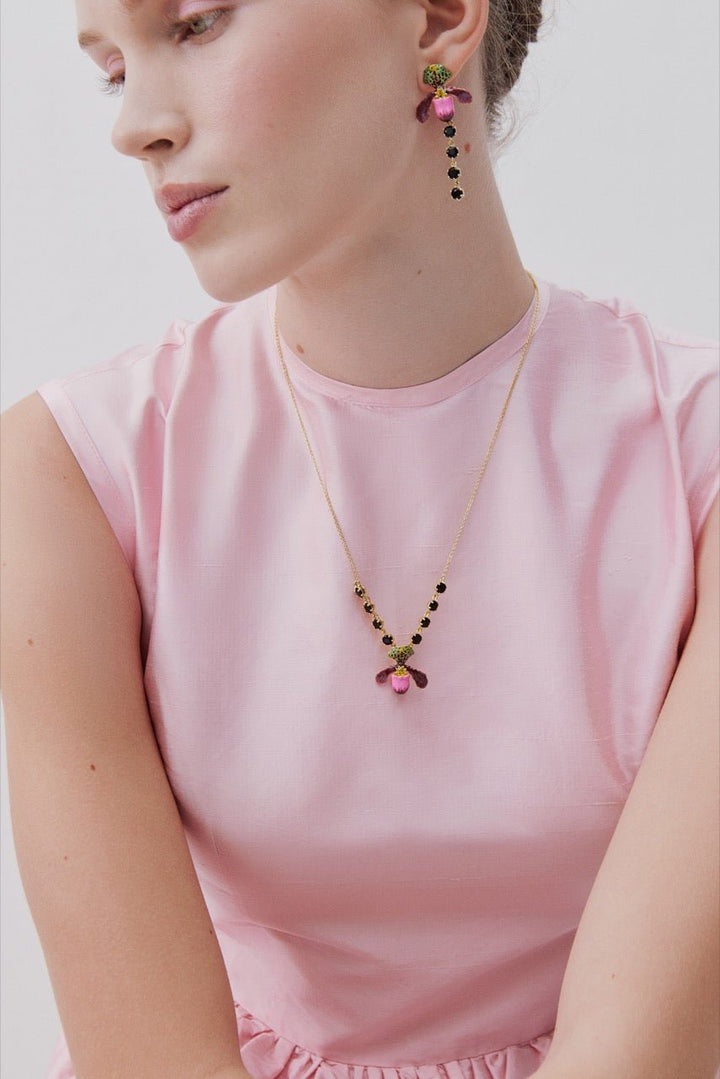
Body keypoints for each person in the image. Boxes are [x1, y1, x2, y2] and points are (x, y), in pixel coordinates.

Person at [1, 1, 718, 1078]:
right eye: (112, 70)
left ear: (437, 18)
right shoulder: (72, 474)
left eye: (195, 24)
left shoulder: (693, 457)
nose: (134, 126)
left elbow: (640, 1054)